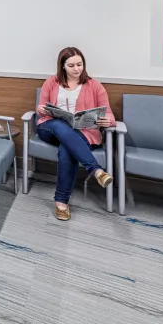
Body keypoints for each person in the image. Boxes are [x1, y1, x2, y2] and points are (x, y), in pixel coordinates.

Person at [36, 46, 115, 221]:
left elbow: (109, 114)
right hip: (50, 127)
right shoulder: (51, 82)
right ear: (62, 66)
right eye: (71, 65)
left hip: (82, 133)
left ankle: (61, 202)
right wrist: (42, 109)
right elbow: (41, 107)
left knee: (67, 149)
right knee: (59, 124)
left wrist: (107, 120)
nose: (77, 69)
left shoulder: (95, 85)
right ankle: (96, 170)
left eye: (79, 64)